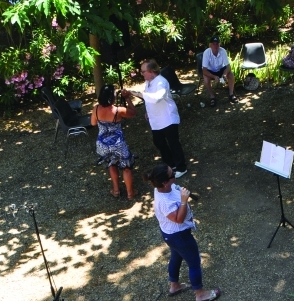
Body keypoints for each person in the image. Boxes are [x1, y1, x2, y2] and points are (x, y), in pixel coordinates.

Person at [143, 164, 220, 301]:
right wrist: (184, 201)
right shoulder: (164, 203)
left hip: (169, 234)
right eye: (172, 174)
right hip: (179, 235)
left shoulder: (161, 187)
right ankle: (200, 294)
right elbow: (178, 219)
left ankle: (175, 285)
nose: (174, 173)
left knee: (176, 256)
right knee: (194, 263)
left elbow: (173, 191)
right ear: (165, 182)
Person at [131, 60, 188, 178]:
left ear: (152, 72)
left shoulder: (161, 82)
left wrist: (138, 94)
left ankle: (181, 168)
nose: (142, 74)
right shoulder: (148, 82)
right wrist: (147, 111)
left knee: (173, 143)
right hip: (156, 119)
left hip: (167, 118)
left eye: (143, 71)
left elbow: (157, 98)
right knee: (159, 142)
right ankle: (170, 164)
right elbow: (149, 99)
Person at [91, 85, 138, 200]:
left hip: (103, 144)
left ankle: (116, 190)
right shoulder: (118, 110)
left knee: (111, 164)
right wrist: (127, 98)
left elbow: (92, 123)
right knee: (126, 167)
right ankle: (130, 193)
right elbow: (133, 112)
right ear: (112, 97)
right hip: (118, 144)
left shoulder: (96, 109)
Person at [201, 36, 238, 106]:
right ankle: (212, 97)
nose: (215, 46)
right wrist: (214, 76)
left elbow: (228, 66)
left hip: (221, 69)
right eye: (213, 44)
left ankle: (231, 94)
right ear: (210, 45)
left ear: (219, 44)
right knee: (206, 79)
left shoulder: (222, 51)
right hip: (210, 70)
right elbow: (204, 70)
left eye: (217, 44)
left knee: (231, 75)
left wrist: (224, 74)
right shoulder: (206, 52)